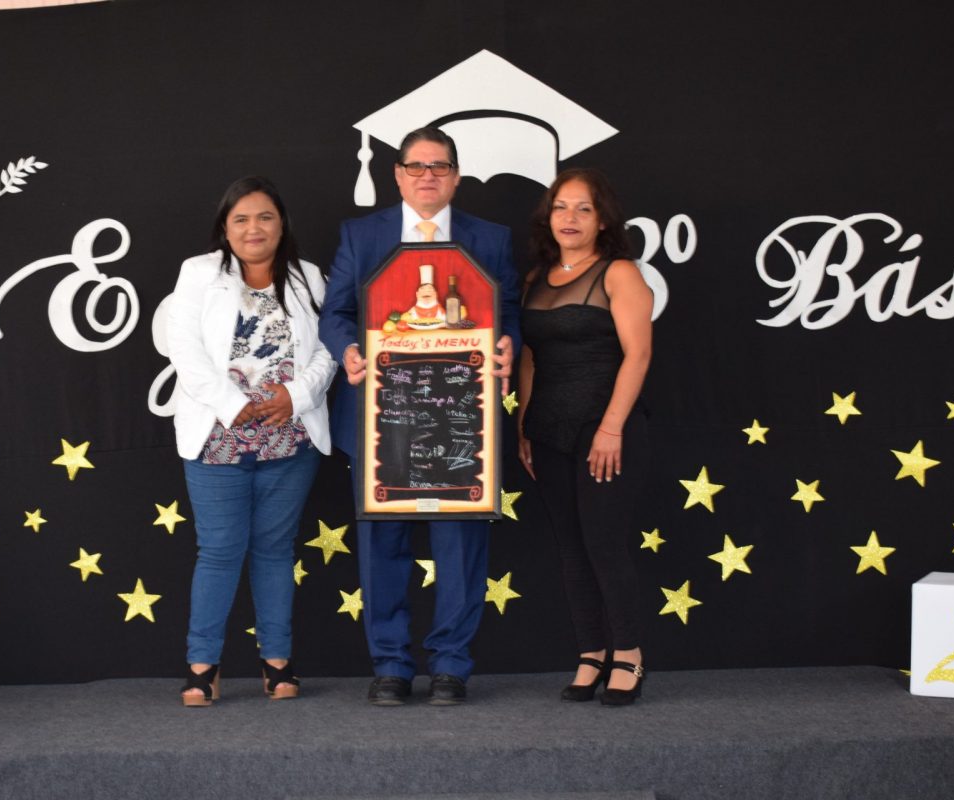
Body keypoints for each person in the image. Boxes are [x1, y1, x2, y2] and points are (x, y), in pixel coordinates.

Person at [320, 127, 521, 706]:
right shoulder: (361, 235)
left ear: (456, 176)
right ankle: (390, 664)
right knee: (382, 546)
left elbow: (508, 309)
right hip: (381, 414)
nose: (427, 175)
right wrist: (348, 350)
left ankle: (451, 665)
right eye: (416, 166)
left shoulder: (492, 238)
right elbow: (335, 313)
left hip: (461, 415)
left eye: (439, 166)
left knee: (460, 545)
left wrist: (508, 341)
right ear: (398, 175)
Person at [167, 176, 336, 706]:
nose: (253, 228)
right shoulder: (199, 273)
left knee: (275, 550)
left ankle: (277, 662)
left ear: (282, 224)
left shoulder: (309, 277)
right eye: (240, 219)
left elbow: (329, 348)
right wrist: (231, 404)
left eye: (264, 217)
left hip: (290, 441)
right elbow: (183, 347)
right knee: (219, 551)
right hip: (217, 440)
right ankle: (203, 666)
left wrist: (296, 395)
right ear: (225, 227)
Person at [515, 167, 654, 706]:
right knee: (570, 547)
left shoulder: (619, 273)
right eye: (560, 207)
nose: (569, 218)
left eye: (583, 208)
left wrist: (612, 427)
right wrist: (523, 426)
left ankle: (629, 654)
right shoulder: (535, 277)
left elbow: (638, 355)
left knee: (603, 543)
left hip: (607, 430)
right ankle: (591, 653)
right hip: (548, 431)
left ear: (603, 221)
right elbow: (528, 360)